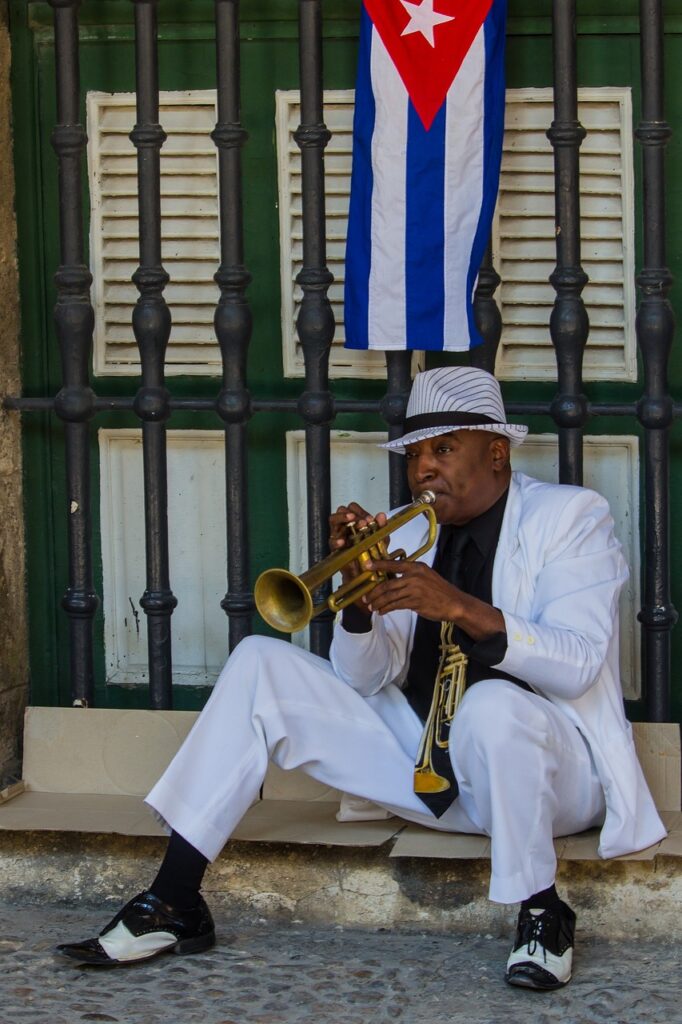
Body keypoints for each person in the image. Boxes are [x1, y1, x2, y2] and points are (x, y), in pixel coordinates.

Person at [57, 366, 665, 990]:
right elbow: (365, 679)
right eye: (416, 454)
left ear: (498, 453)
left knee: (493, 707)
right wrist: (354, 599)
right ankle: (176, 899)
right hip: (434, 774)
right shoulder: (412, 531)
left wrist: (458, 606)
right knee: (259, 664)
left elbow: (579, 660)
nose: (424, 468)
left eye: (444, 449)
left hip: (552, 779)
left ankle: (542, 911)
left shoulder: (569, 517)